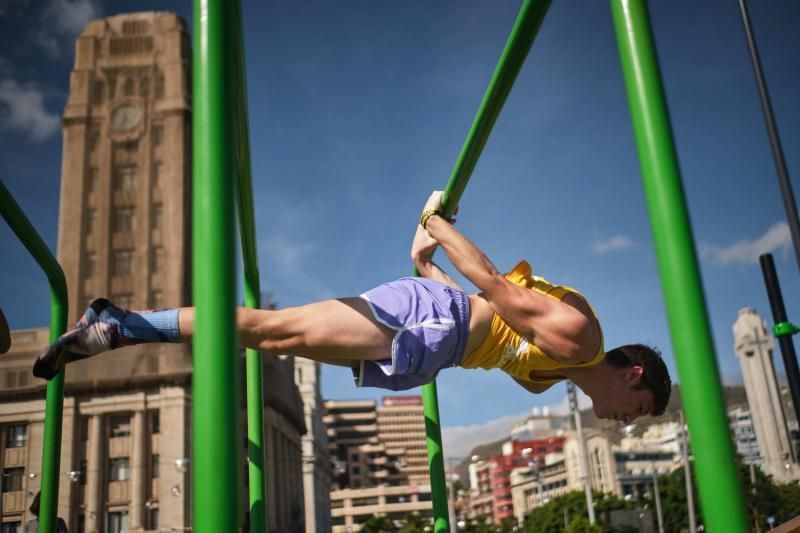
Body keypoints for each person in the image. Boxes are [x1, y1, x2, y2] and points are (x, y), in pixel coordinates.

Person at [34, 191, 671, 424]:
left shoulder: (546, 382)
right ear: (632, 374)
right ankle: (120, 327)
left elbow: (485, 315)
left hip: (429, 340)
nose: (626, 420)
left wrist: (425, 261)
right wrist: (436, 221)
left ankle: (120, 327)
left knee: (268, 337)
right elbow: (498, 287)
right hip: (426, 322)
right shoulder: (579, 336)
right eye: (636, 410)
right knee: (270, 331)